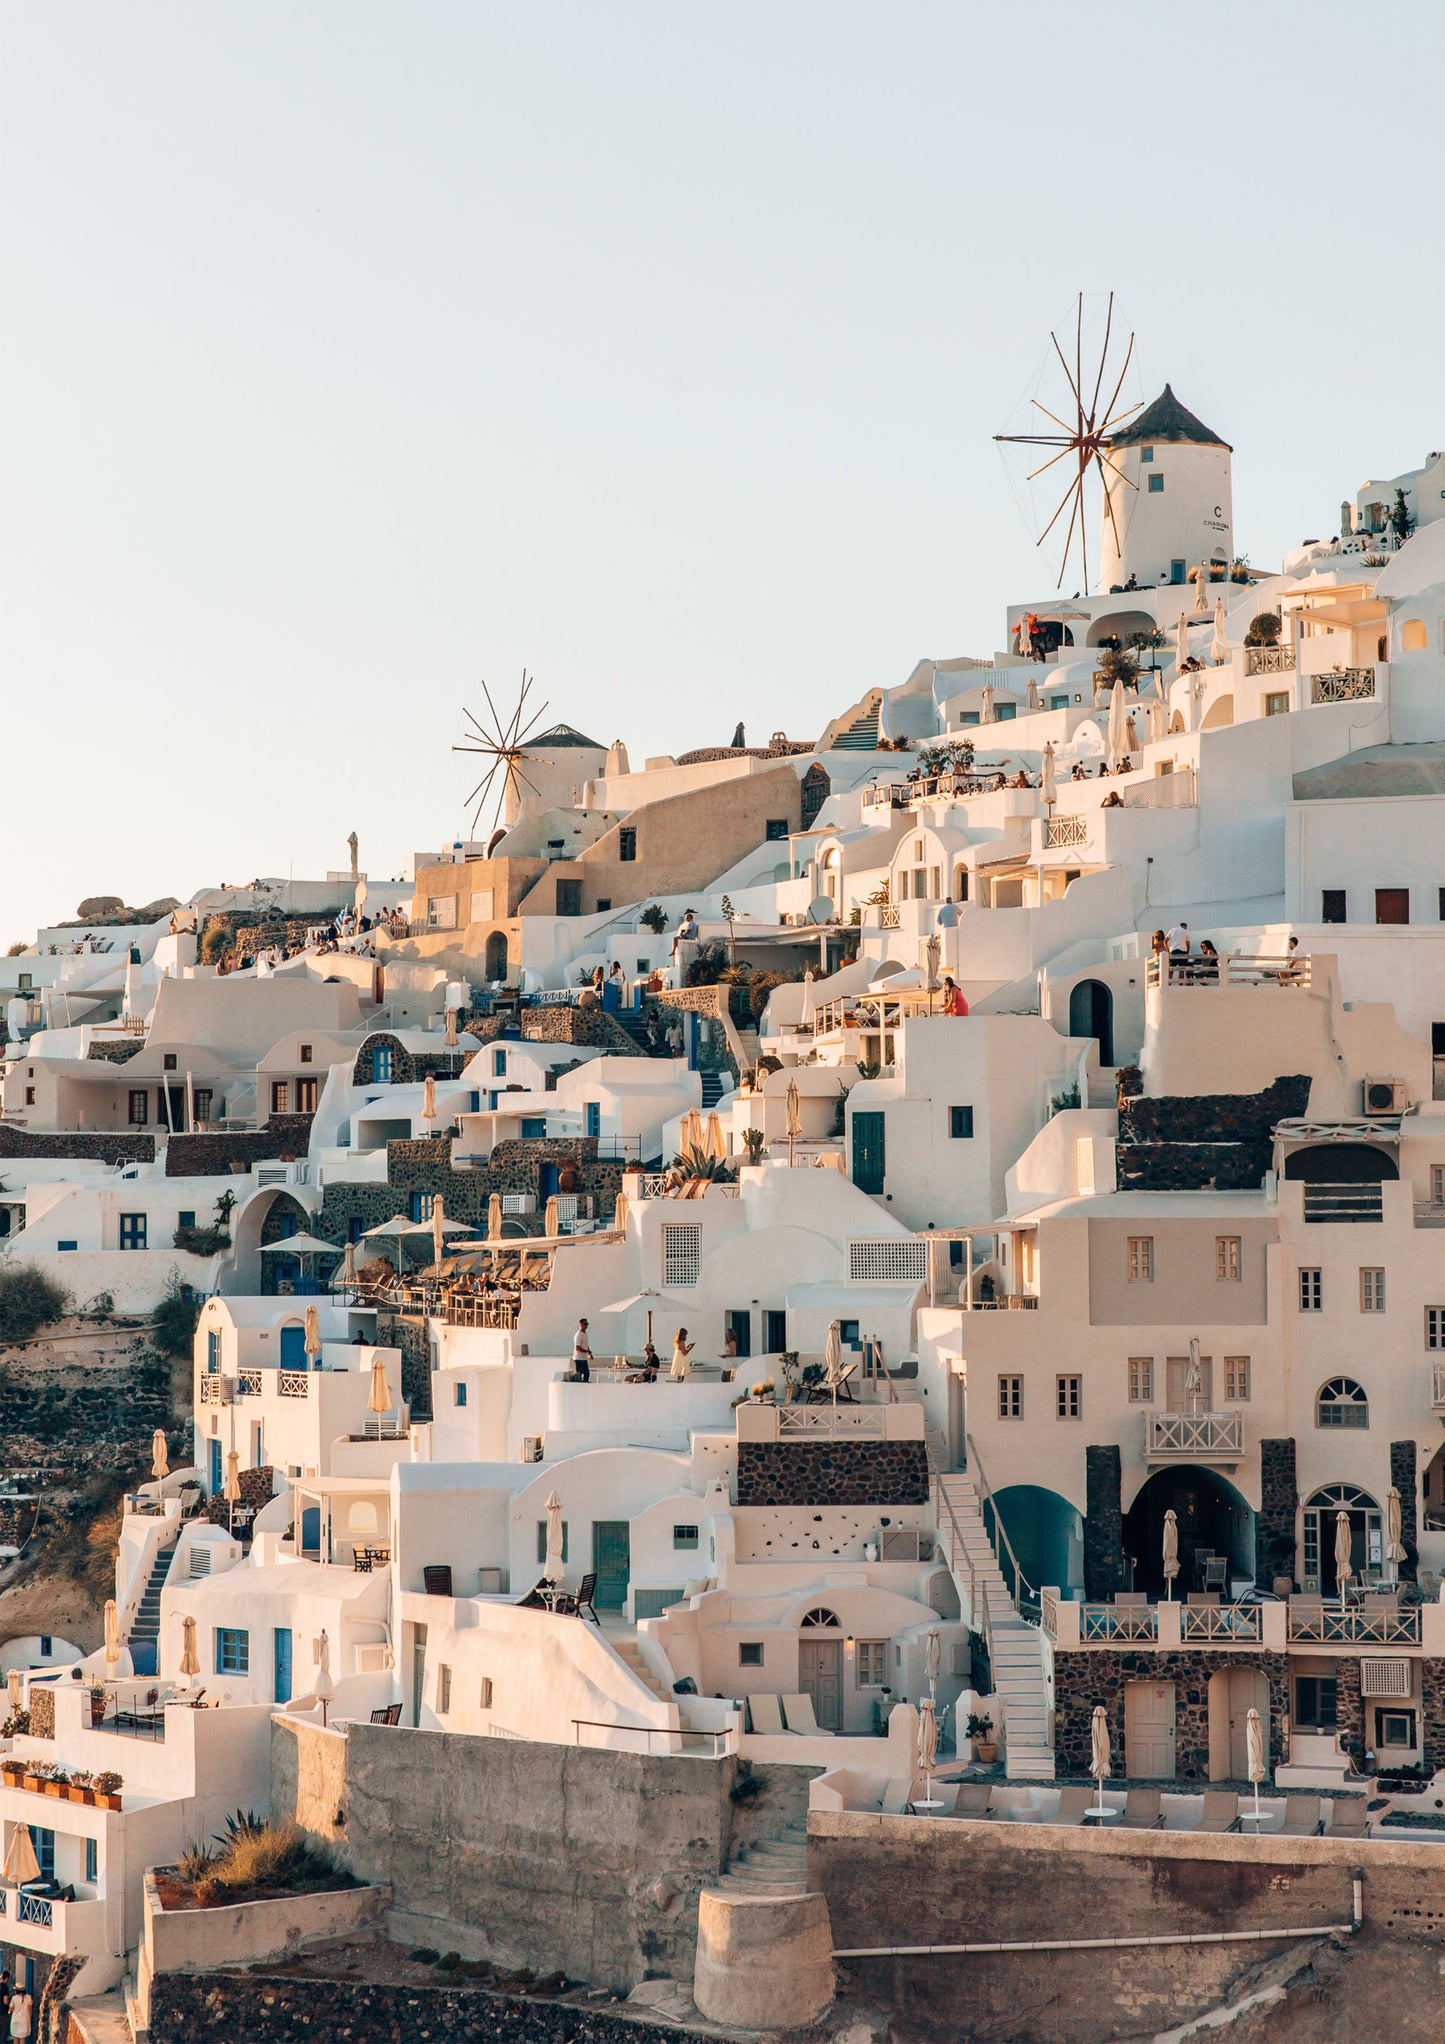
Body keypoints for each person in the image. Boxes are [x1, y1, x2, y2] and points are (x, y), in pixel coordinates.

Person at [572, 1317, 593, 1383]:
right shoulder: (578, 1335)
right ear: (581, 1324)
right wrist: (587, 1351)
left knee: (587, 1374)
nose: (586, 1325)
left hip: (584, 1358)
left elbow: (586, 1345)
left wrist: (589, 1354)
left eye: (587, 1324)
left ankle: (584, 1385)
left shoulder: (585, 1333)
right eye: (585, 1324)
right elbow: (577, 1348)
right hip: (578, 1359)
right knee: (579, 1375)